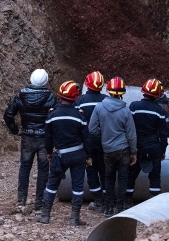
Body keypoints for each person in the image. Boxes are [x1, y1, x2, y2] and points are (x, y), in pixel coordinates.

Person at [3, 68, 57, 215]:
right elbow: (56, 117)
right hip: (44, 138)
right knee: (43, 169)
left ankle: (21, 200)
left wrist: (15, 130)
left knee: (25, 167)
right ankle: (40, 203)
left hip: (27, 136)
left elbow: (8, 115)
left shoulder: (21, 95)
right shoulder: (51, 97)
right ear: (46, 81)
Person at [39, 80, 90, 226]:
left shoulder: (52, 114)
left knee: (52, 184)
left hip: (60, 155)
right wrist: (88, 155)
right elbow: (86, 138)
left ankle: (45, 215)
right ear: (75, 97)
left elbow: (47, 137)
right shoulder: (79, 115)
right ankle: (74, 218)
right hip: (78, 155)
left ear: (60, 96)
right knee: (78, 186)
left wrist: (49, 152)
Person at [89, 76, 137, 216]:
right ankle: (120, 208)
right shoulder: (126, 110)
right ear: (122, 93)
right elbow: (131, 134)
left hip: (107, 150)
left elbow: (92, 129)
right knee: (123, 179)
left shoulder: (99, 107)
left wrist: (104, 134)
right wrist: (133, 152)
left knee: (108, 179)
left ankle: (108, 209)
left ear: (108, 90)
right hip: (123, 150)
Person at [126, 78, 169, 205]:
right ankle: (154, 203)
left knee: (131, 174)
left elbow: (128, 128)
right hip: (154, 146)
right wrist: (163, 150)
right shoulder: (159, 110)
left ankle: (127, 202)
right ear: (157, 94)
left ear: (143, 91)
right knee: (155, 175)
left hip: (137, 145)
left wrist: (129, 147)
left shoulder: (134, 106)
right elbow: (164, 133)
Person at [74, 71, 107, 212]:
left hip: (87, 144)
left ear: (87, 84)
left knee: (91, 170)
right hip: (105, 143)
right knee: (105, 170)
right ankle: (107, 201)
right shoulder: (107, 100)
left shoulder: (80, 101)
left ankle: (98, 201)